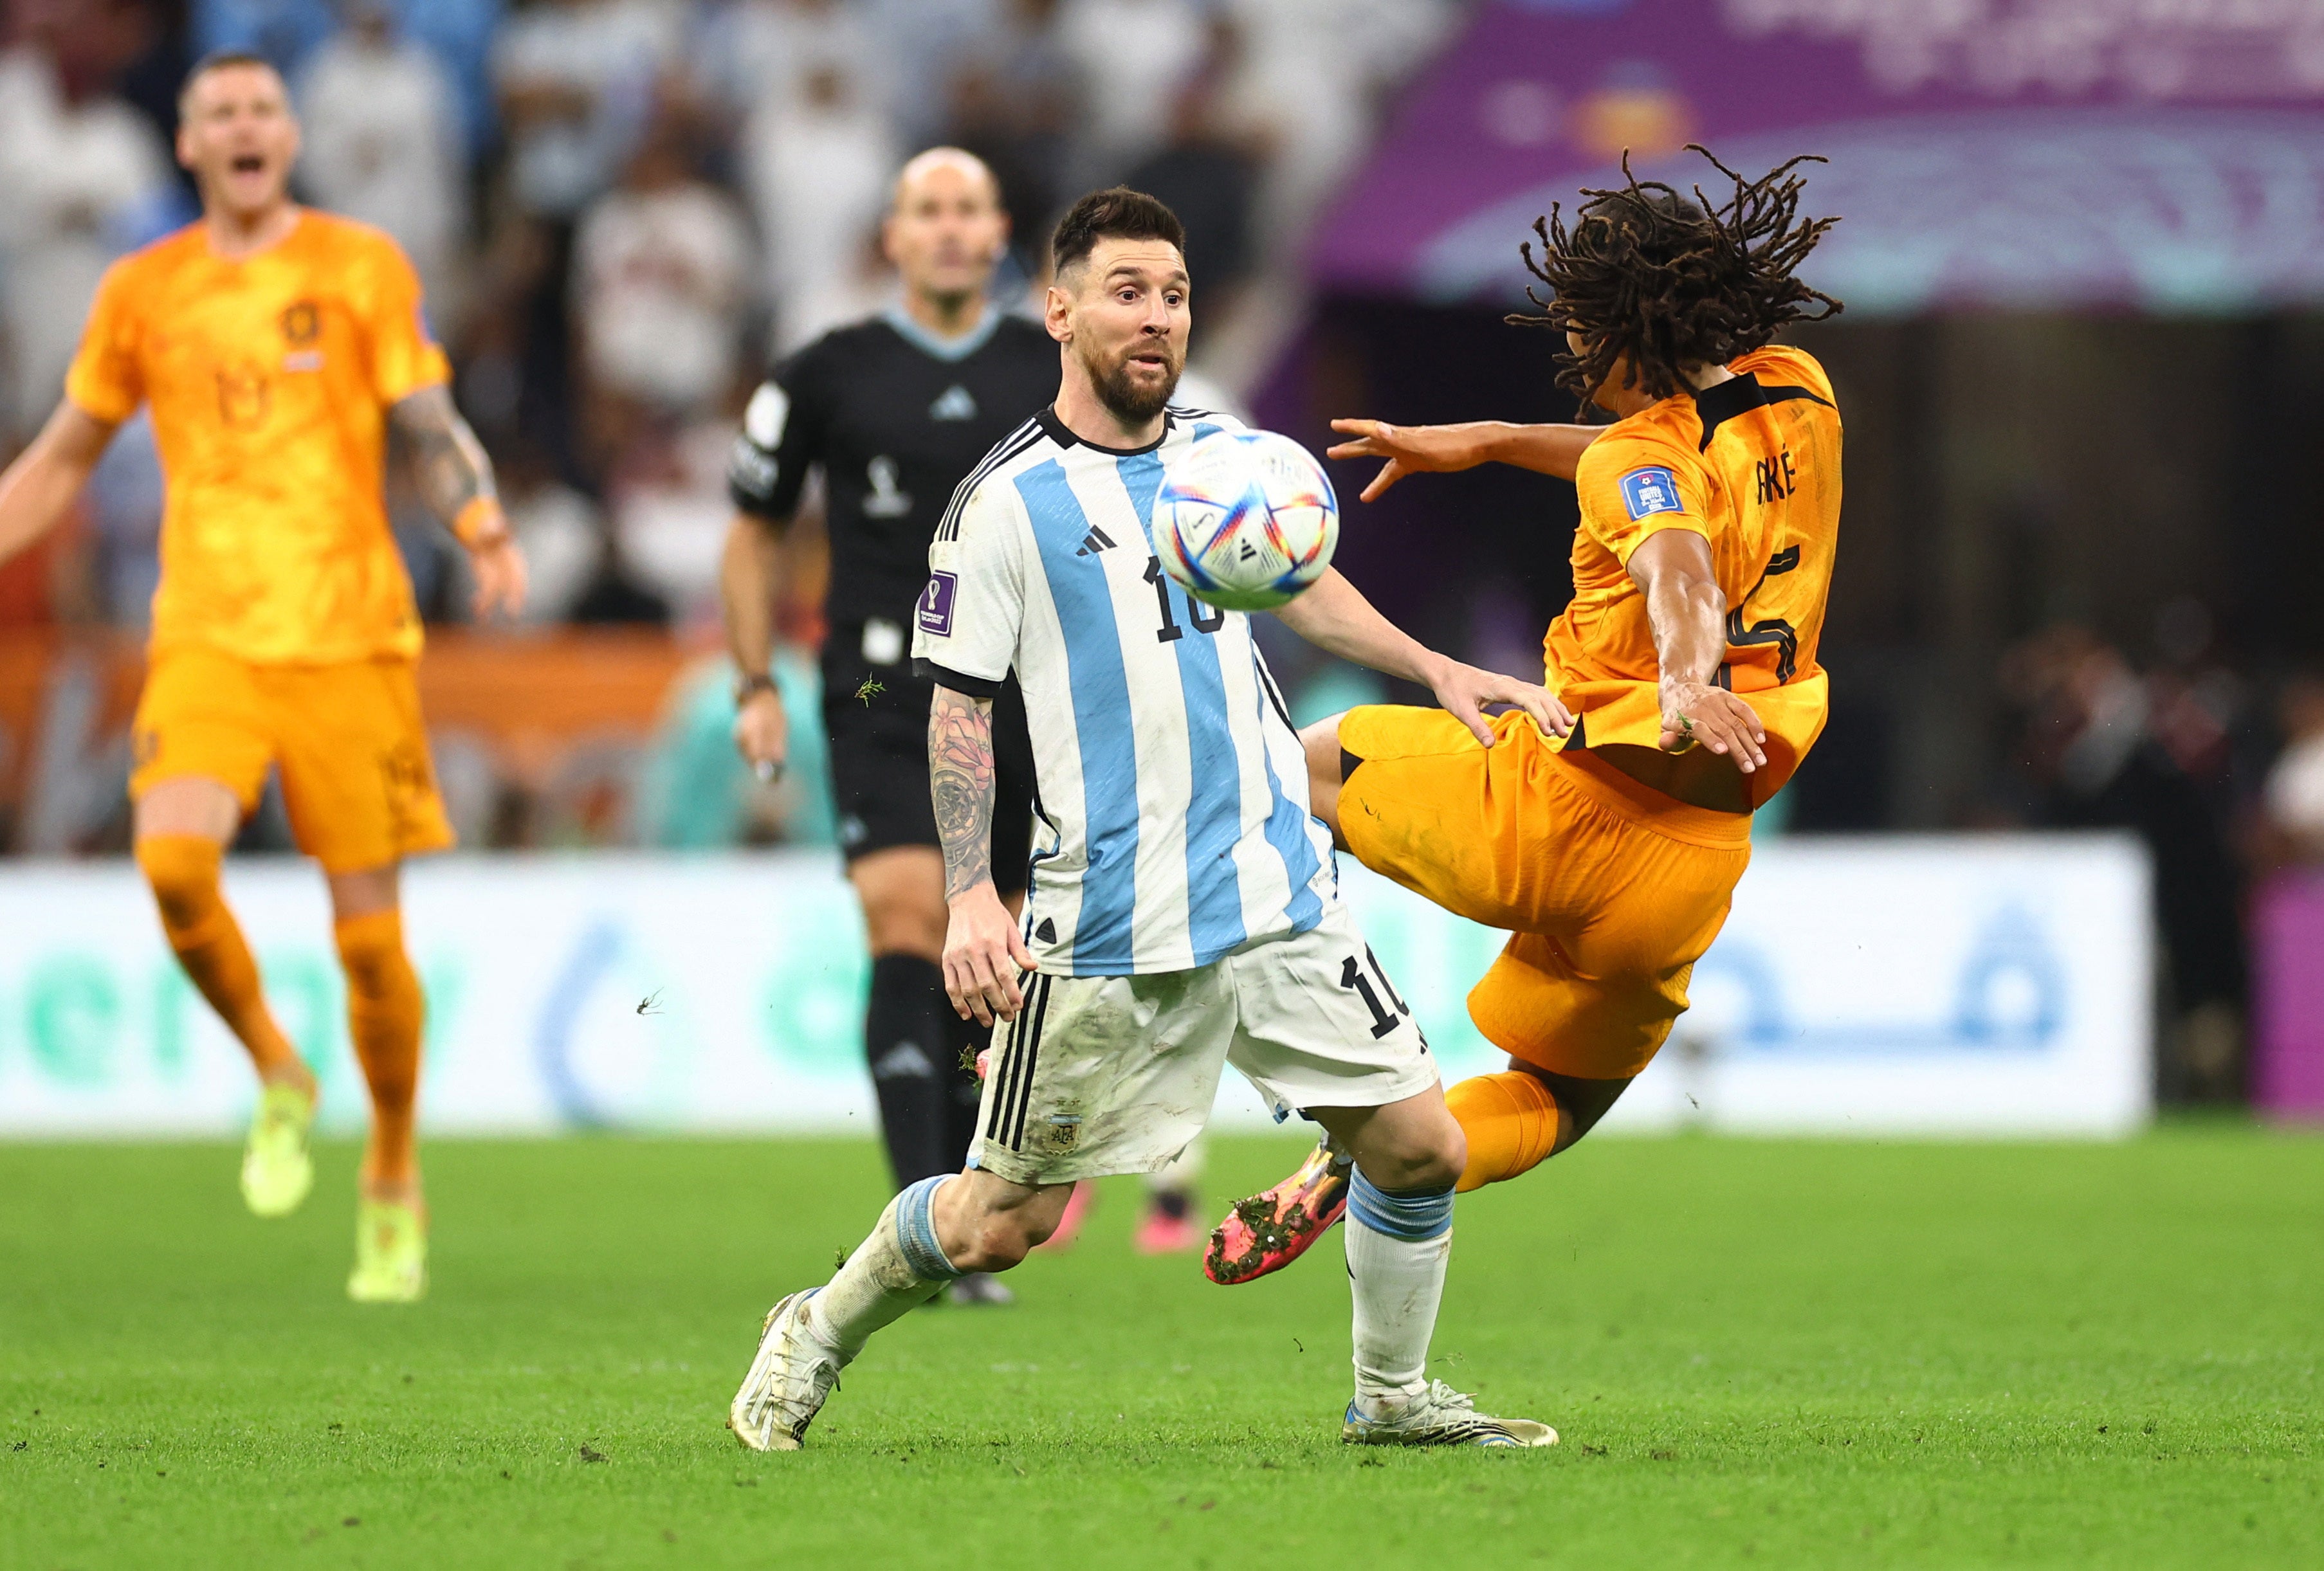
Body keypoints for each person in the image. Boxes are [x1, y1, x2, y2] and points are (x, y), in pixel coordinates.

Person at [726, 186, 1564, 1453]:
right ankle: (814, 1331)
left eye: (1172, 294)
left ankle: (1391, 1398)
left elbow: (1306, 587)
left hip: (1275, 887)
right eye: (1127, 291)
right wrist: (968, 893)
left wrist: (1433, 665)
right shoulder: (1004, 504)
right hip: (1109, 918)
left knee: (1416, 1145)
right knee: (1000, 1220)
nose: (1156, 317)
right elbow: (957, 713)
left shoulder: (1224, 460)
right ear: (1058, 310)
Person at [1206, 149, 1846, 1282]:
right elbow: (1661, 476)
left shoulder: (1638, 465)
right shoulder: (1799, 388)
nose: (1566, 352)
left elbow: (1677, 567)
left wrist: (1684, 682)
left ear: (1617, 331)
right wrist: (1494, 440)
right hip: (1686, 865)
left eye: (1572, 331)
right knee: (1556, 1099)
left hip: (1549, 804)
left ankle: (1107, 998)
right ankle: (1372, 1159)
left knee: (1277, 769)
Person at [0, 53, 526, 1302]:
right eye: (219, 112)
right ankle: (280, 1070)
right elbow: (64, 454)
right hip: (208, 636)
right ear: (189, 145)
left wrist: (483, 521)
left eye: (261, 110)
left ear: (288, 137)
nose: (244, 127)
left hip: (349, 641)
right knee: (174, 863)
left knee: (369, 946)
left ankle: (391, 1171)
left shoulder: (361, 267)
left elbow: (428, 425)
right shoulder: (144, 290)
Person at [721, 148, 1054, 1305]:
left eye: (970, 209)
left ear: (998, 229)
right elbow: (753, 531)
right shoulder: (826, 372)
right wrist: (753, 682)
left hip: (1022, 692)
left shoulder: (1053, 365)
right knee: (910, 912)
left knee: (997, 950)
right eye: (930, 212)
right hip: (880, 686)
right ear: (894, 236)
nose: (952, 230)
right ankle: (921, 1218)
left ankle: (964, 1205)